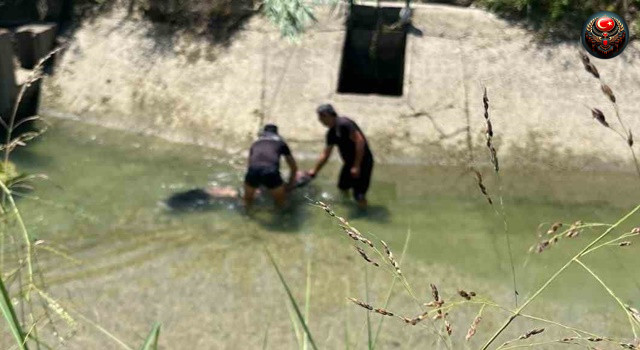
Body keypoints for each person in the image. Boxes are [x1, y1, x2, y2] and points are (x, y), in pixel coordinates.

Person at [308, 104, 374, 208]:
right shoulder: (331, 133)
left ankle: (364, 213)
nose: (320, 120)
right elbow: (326, 154)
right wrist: (314, 171)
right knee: (343, 187)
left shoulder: (344, 123)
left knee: (359, 194)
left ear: (328, 115)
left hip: (363, 162)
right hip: (349, 163)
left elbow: (360, 141)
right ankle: (347, 206)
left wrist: (356, 165)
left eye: (321, 117)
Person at [244, 124, 297, 209]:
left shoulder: (255, 143)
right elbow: (293, 167)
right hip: (271, 171)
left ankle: (247, 217)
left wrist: (256, 185)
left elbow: (250, 165)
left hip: (253, 170)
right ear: (276, 134)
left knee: (247, 203)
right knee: (281, 205)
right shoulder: (281, 143)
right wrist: (290, 185)